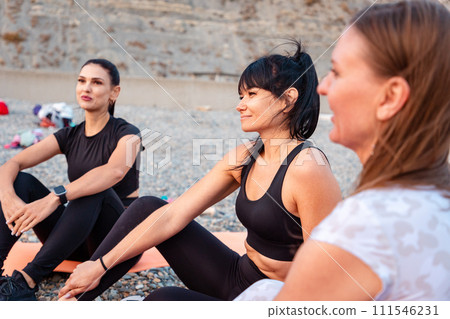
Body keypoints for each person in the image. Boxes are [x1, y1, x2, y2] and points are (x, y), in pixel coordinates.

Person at [58, 41, 342, 301]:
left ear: (288, 98)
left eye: (251, 94)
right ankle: (76, 298)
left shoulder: (307, 168)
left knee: (161, 300)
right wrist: (99, 265)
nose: (239, 105)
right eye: (241, 95)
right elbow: (174, 213)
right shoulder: (246, 155)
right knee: (148, 207)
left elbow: (326, 271)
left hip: (273, 298)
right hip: (238, 275)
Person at [235, 0, 450, 301]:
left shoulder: (363, 226)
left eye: (337, 71)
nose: (322, 87)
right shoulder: (432, 199)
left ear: (390, 97)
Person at [0, 59, 141, 301]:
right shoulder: (69, 135)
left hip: (116, 241)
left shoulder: (129, 135)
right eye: (81, 81)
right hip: (75, 240)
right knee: (21, 181)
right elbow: (13, 163)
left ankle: (26, 281)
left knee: (93, 188)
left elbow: (114, 172)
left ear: (114, 92)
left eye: (96, 82)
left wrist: (56, 197)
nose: (86, 88)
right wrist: (8, 196)